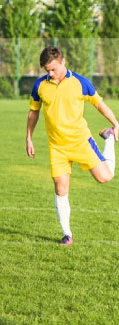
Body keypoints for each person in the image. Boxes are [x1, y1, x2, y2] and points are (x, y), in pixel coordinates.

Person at [26, 45, 117, 245]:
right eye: (47, 70)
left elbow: (99, 104)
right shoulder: (40, 85)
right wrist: (29, 138)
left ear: (63, 62)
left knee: (105, 177)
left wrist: (115, 123)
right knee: (60, 187)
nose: (51, 73)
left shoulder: (80, 82)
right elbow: (34, 112)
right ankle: (67, 234)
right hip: (56, 147)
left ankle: (109, 139)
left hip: (80, 142)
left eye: (53, 69)